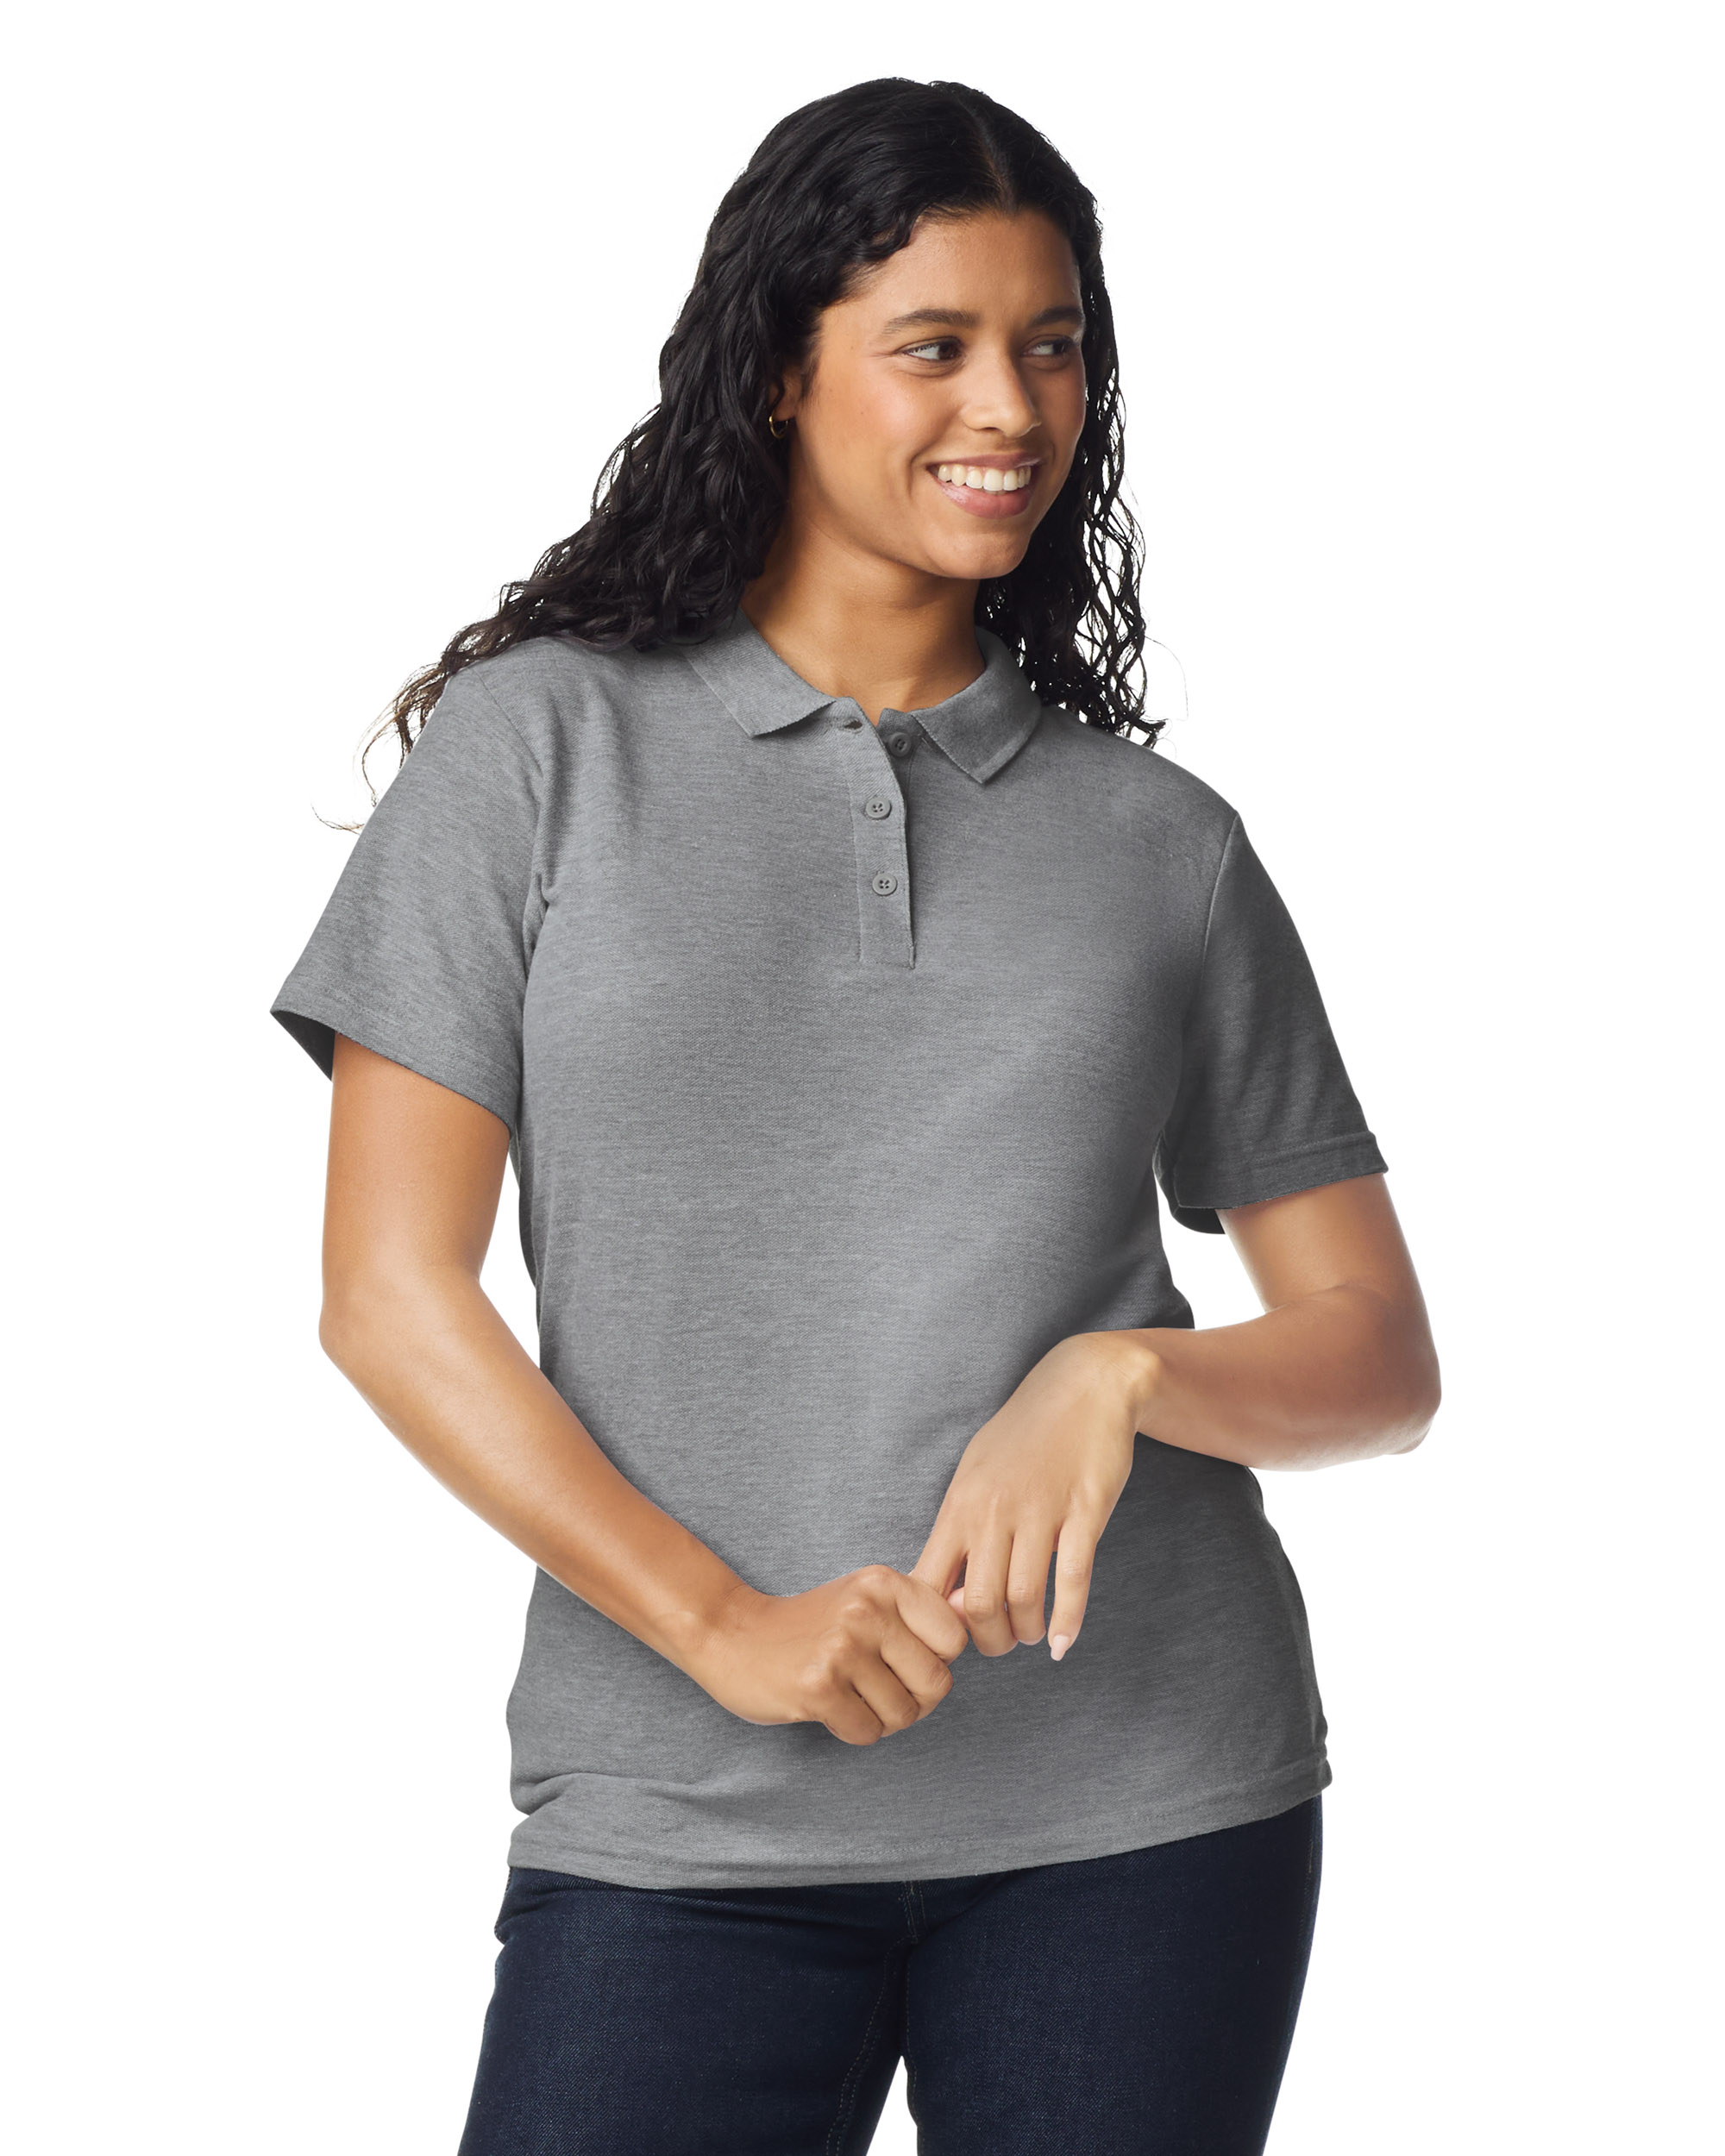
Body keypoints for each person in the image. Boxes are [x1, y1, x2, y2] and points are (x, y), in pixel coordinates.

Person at [273, 75, 1440, 2156]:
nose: (1011, 405)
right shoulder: (537, 753)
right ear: (779, 368)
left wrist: (1121, 1371)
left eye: (1051, 346)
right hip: (675, 1801)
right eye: (935, 344)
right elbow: (386, 1293)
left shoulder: (1158, 842)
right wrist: (723, 1624)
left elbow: (1378, 1355)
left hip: (1145, 1803)